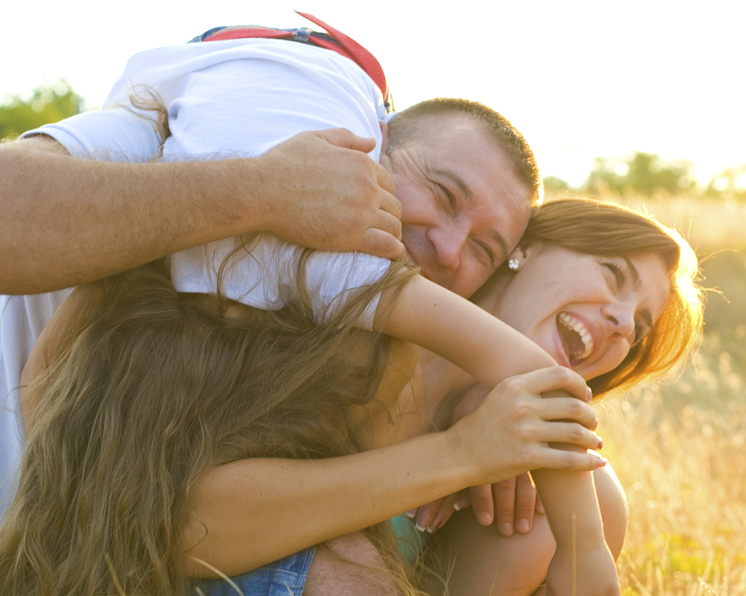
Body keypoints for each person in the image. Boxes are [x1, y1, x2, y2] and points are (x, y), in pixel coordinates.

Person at [0, 198, 703, 596]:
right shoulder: (359, 313)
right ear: (526, 246)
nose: (618, 324)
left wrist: (511, 449)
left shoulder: (544, 466)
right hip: (117, 553)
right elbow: (168, 523)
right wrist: (462, 453)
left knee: (571, 509)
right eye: (613, 277)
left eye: (637, 330)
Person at [0, 20, 540, 519]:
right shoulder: (175, 142)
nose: (449, 249)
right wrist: (263, 189)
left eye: (483, 251)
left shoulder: (379, 336)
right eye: (443, 195)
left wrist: (476, 401)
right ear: (371, 146)